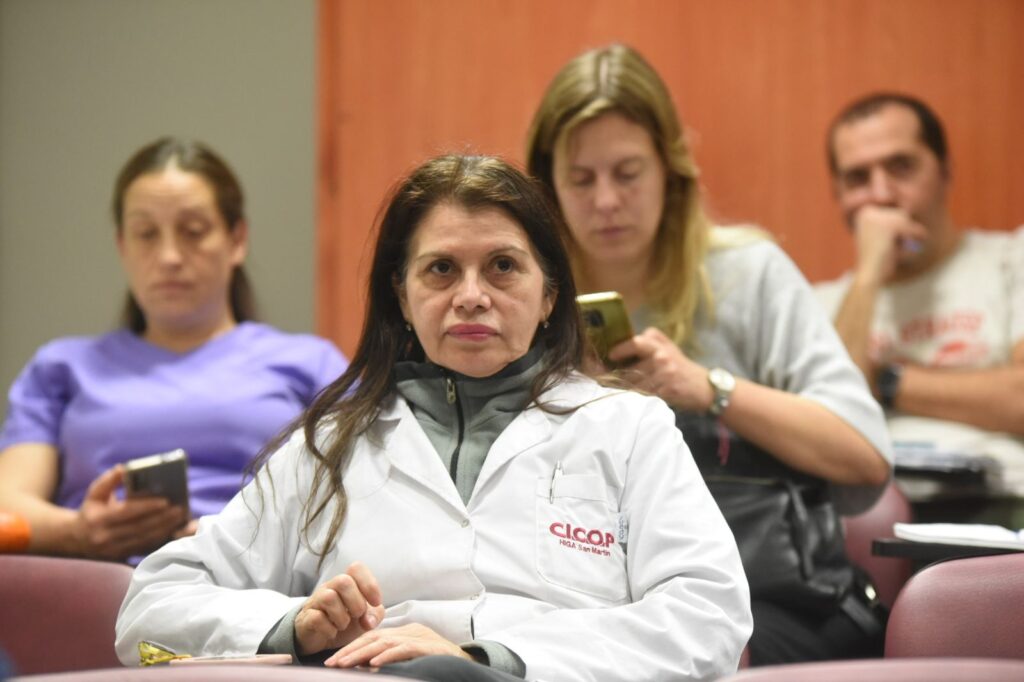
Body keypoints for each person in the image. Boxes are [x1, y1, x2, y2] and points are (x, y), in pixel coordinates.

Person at [114, 154, 752, 681]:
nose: (471, 295)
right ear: (403, 293)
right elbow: (152, 605)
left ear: (550, 293)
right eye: (441, 269)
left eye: (503, 267)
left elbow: (709, 614)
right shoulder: (329, 446)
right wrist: (295, 626)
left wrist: (492, 661)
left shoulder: (630, 428)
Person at [525, 44, 893, 665]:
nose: (606, 200)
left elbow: (864, 459)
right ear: (548, 185)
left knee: (689, 648)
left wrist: (708, 389)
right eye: (581, 179)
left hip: (765, 597)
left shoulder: (747, 274)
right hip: (585, 599)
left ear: (670, 170)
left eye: (629, 172)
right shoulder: (524, 295)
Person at [0, 137, 347, 562]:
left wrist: (240, 536)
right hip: (95, 590)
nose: (168, 256)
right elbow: (8, 506)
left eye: (193, 232)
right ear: (122, 246)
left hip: (256, 589)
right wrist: (79, 532)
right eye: (146, 234)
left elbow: (369, 498)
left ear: (237, 239)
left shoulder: (312, 365)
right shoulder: (61, 368)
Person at [814, 93, 1024, 526]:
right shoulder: (823, 304)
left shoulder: (1010, 260)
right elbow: (829, 418)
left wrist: (887, 382)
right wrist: (870, 271)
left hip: (1000, 508)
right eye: (857, 179)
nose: (882, 194)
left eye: (901, 167)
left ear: (945, 171)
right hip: (865, 517)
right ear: (838, 197)